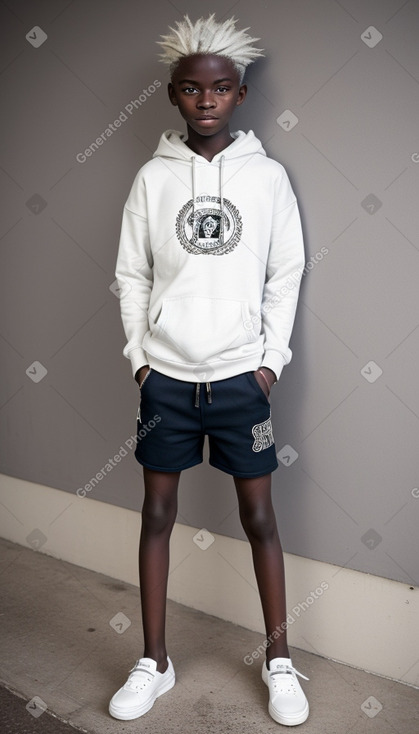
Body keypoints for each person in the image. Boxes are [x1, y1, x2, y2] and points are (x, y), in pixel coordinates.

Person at [109, 13, 309, 727]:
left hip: (238, 383)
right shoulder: (151, 179)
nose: (205, 101)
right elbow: (130, 275)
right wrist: (140, 362)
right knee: (156, 514)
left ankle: (280, 663)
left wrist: (267, 364)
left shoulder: (266, 179)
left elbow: (285, 274)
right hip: (165, 381)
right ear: (172, 96)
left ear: (241, 94)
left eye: (219, 89)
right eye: (191, 89)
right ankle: (154, 662)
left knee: (259, 518)